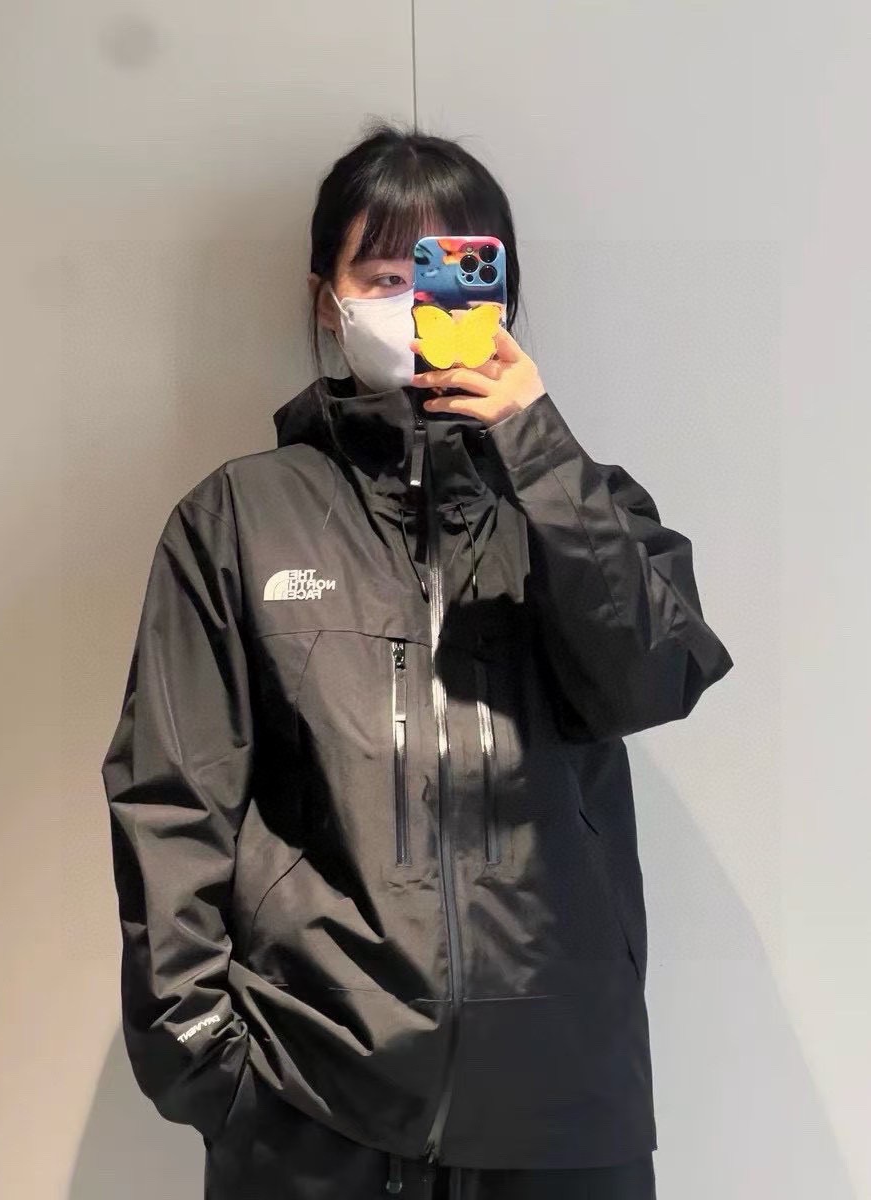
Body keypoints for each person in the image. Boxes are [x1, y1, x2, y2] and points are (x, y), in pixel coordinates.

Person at [101, 121, 734, 1200]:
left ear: (500, 296)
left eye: (447, 275)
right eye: (383, 276)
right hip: (311, 1108)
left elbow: (654, 678)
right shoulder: (240, 518)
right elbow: (171, 800)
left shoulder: (581, 502)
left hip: (562, 1112)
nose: (411, 305)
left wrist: (537, 447)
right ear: (327, 299)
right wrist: (210, 1066)